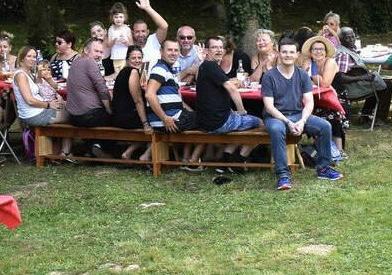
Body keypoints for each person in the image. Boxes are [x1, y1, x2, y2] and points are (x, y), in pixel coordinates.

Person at [259, 42, 342, 191]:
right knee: (277, 131)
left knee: (325, 126)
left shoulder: (302, 74)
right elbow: (269, 106)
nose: (288, 55)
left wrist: (302, 121)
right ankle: (283, 175)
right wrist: (288, 122)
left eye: (292, 52)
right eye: (284, 52)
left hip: (298, 114)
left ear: (297, 55)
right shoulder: (269, 76)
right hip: (276, 117)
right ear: (279, 53)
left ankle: (324, 168)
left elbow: (309, 102)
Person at [184, 36, 260, 170]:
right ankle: (239, 162)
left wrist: (202, 59)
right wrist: (242, 111)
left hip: (204, 122)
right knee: (261, 123)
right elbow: (232, 88)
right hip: (219, 123)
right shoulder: (212, 66)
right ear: (207, 50)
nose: (219, 50)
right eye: (214, 47)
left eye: (221, 47)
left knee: (239, 122)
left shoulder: (204, 66)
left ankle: (225, 160)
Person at [12, 47, 68, 143]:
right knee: (72, 114)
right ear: (22, 58)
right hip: (34, 115)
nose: (32, 59)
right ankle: (64, 151)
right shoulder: (21, 75)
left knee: (68, 108)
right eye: (29, 56)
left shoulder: (28, 73)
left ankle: (59, 150)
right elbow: (29, 100)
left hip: (38, 110)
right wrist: (49, 105)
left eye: (34, 57)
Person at [142, 38, 197, 134]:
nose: (173, 53)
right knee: (211, 119)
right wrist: (165, 119)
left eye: (176, 50)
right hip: (169, 121)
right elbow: (149, 94)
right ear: (161, 51)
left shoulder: (168, 70)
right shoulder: (160, 69)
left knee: (207, 118)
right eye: (169, 50)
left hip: (173, 117)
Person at [109, 46, 154, 160]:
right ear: (127, 59)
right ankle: (139, 154)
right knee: (157, 123)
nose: (137, 60)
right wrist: (145, 124)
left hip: (118, 115)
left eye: (140, 57)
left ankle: (128, 152)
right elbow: (138, 101)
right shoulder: (133, 71)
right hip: (126, 118)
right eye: (133, 58)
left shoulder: (125, 71)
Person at [105, 2, 134, 73]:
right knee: (117, 75)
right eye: (116, 17)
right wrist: (113, 41)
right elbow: (108, 45)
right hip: (115, 57)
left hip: (125, 57)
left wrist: (125, 42)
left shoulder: (127, 29)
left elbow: (132, 44)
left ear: (124, 18)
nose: (118, 19)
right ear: (112, 18)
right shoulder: (111, 29)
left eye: (121, 17)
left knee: (124, 74)